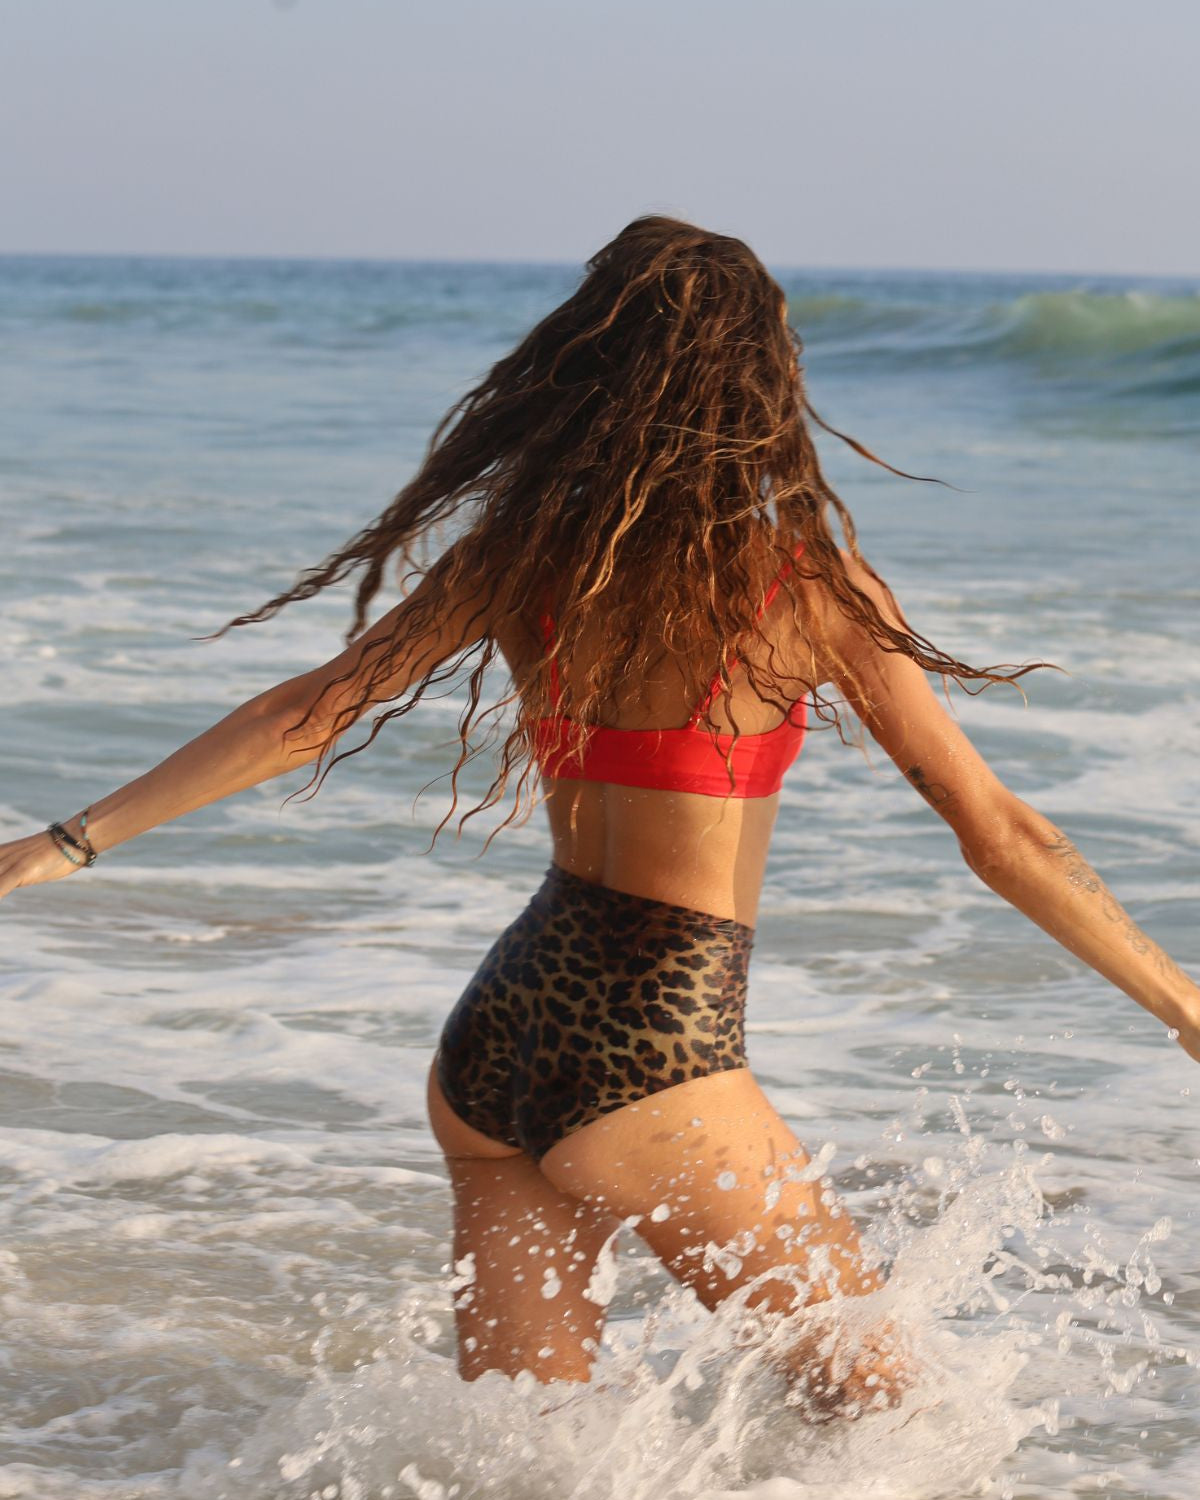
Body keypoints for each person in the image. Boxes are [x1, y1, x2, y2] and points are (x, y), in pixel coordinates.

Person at [2, 217, 1197, 1422]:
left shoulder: (523, 556)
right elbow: (997, 831)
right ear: (761, 386)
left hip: (501, 1035)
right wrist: (1183, 1004)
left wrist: (66, 844)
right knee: (902, 1418)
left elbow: (308, 711)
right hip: (656, 1046)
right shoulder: (803, 580)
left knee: (523, 1454)